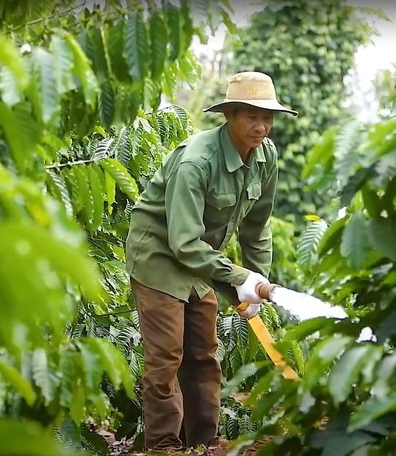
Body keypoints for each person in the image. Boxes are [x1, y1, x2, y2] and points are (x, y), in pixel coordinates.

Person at [125, 71, 297, 452]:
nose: (262, 126)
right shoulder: (196, 161)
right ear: (230, 115)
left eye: (268, 117)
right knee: (167, 355)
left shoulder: (266, 157)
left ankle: (204, 443)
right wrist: (237, 275)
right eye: (251, 116)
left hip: (200, 258)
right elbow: (182, 242)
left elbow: (257, 226)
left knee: (203, 353)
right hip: (158, 255)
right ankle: (164, 446)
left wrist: (256, 282)